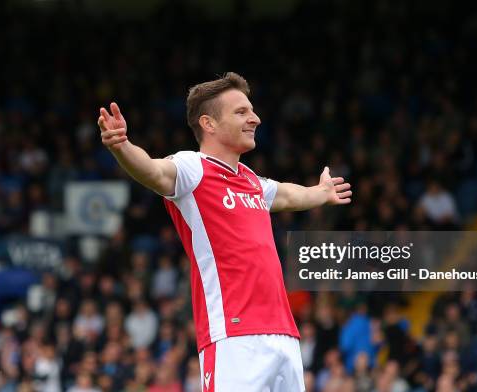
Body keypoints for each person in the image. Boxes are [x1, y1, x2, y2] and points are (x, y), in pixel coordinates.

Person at [98, 72, 352, 391]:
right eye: (241, 112)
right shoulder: (192, 169)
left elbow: (287, 195)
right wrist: (122, 146)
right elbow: (152, 171)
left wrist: (320, 192)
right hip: (234, 336)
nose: (255, 119)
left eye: (252, 111)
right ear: (209, 123)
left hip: (284, 334)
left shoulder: (249, 179)